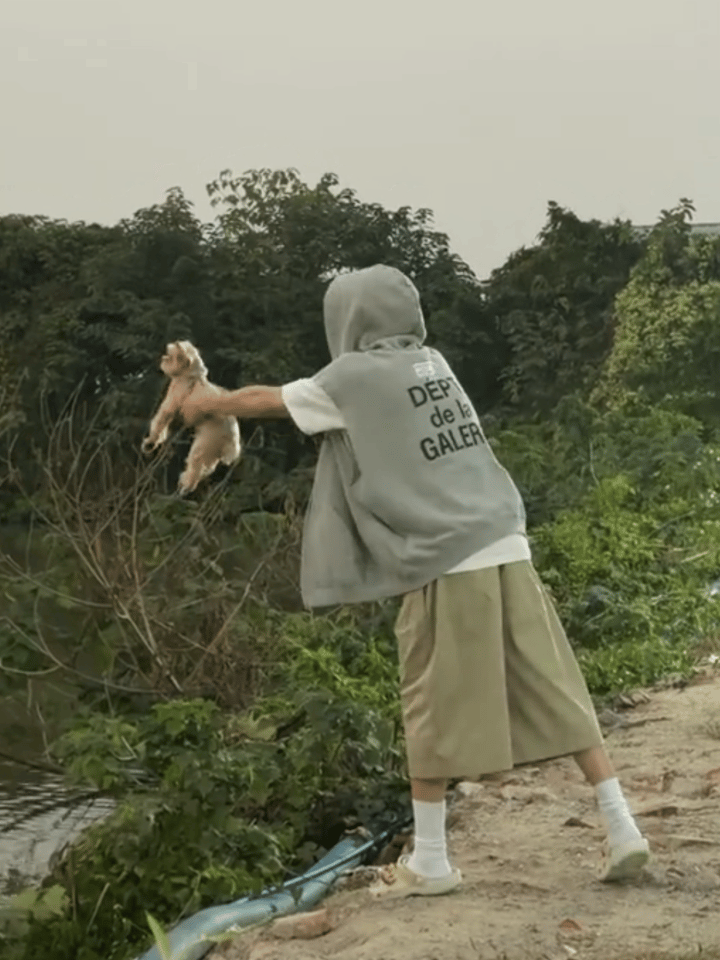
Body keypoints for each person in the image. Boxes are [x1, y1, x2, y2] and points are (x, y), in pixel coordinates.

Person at [181, 264, 650, 899]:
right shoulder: (434, 365)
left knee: (426, 699)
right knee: (556, 684)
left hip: (443, 553)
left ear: (348, 320)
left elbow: (272, 401)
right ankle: (622, 826)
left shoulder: (352, 376)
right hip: (504, 536)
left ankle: (430, 860)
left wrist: (206, 403)